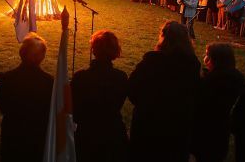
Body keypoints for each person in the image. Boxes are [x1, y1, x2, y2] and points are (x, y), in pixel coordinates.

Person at [128, 21, 200, 161]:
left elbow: (132, 88)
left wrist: (144, 104)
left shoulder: (151, 61)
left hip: (149, 125)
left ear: (163, 37)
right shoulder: (192, 64)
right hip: (177, 126)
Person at [72, 30, 128, 162]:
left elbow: (73, 109)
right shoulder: (121, 77)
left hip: (86, 136)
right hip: (113, 136)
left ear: (94, 50)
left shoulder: (80, 78)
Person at [0, 33, 53, 162]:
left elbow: (3, 106)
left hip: (12, 136)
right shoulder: (49, 82)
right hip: (37, 138)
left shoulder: (6, 78)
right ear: (42, 57)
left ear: (21, 53)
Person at [191, 43, 245, 162]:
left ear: (215, 60)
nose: (205, 58)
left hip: (205, 128)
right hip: (223, 127)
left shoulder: (209, 82)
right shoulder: (239, 78)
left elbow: (199, 103)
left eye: (207, 56)